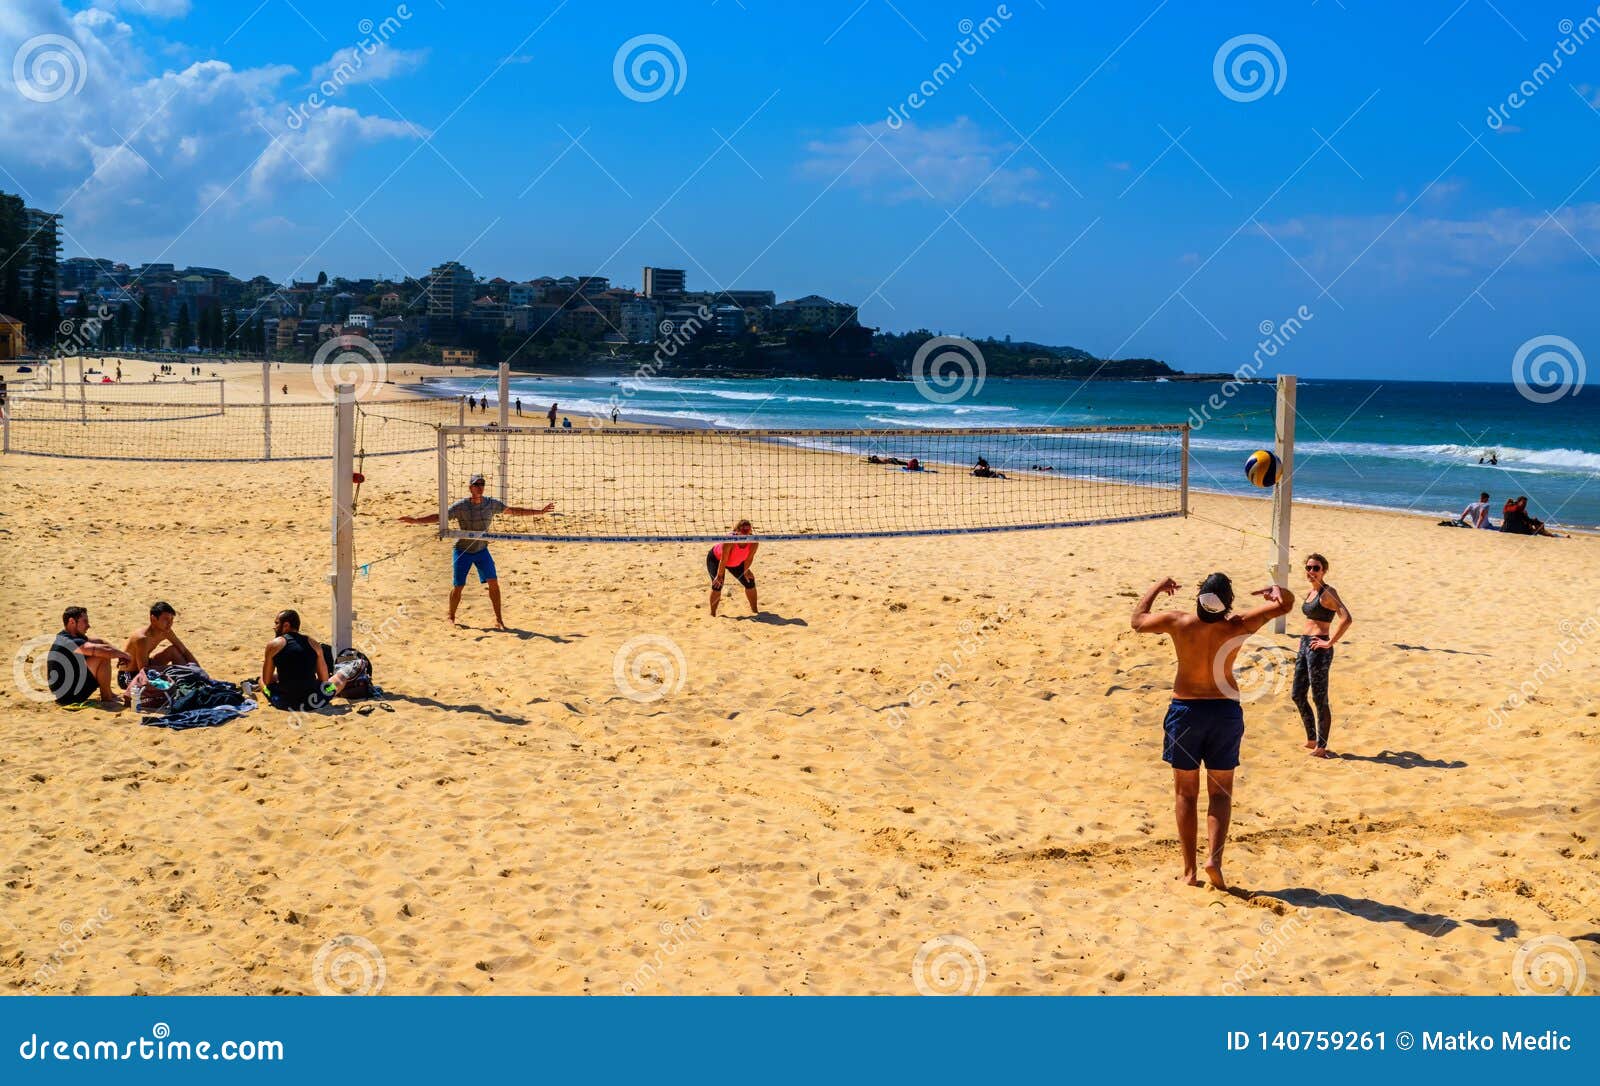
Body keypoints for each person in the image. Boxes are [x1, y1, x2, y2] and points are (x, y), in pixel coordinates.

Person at [1131, 572, 1293, 889]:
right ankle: (1214, 859)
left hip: (1186, 713)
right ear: (1227, 604)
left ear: (1198, 599)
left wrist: (1156, 588)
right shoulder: (1238, 625)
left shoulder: (1179, 622)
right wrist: (1277, 591)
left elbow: (1137, 621)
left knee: (1185, 794)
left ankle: (1190, 870)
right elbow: (1287, 605)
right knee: (1220, 794)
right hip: (1224, 714)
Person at [398, 473, 555, 627]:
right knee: (458, 586)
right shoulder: (461, 506)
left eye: (482, 484)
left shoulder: (491, 504)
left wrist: (539, 511)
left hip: (481, 550)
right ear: (470, 487)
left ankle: (499, 619)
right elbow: (440, 516)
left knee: (494, 583)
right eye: (476, 485)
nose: (480, 487)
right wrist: (416, 521)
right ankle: (451, 616)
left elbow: (513, 511)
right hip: (462, 550)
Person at [1295, 553, 1353, 758]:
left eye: (1316, 568)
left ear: (1324, 570)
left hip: (1319, 648)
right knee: (1297, 693)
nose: (1311, 572)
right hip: (1304, 645)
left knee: (1320, 698)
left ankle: (1321, 746)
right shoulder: (1311, 593)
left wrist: (1329, 642)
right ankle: (1311, 739)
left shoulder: (1328, 592)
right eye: (1308, 568)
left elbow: (1346, 618)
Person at [259, 609, 354, 711]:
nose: (274, 627)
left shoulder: (273, 645)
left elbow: (267, 680)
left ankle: (269, 695)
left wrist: (280, 677)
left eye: (277, 623)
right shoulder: (314, 644)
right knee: (339, 679)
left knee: (261, 681)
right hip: (315, 701)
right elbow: (324, 680)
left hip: (283, 702)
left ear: (286, 625)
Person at [47, 606, 130, 706]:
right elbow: (103, 650)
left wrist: (118, 653)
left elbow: (100, 642)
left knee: (102, 651)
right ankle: (107, 697)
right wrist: (124, 655)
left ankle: (109, 694)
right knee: (102, 656)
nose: (88, 625)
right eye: (85, 621)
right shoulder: (69, 642)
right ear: (72, 622)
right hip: (68, 696)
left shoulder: (65, 635)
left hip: (64, 691)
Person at [121, 601, 201, 684]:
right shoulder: (142, 639)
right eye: (166, 619)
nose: (170, 623)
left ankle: (191, 679)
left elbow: (183, 650)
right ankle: (186, 680)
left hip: (146, 666)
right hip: (129, 676)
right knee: (175, 671)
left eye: (171, 619)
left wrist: (198, 669)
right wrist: (174, 668)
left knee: (173, 650)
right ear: (153, 619)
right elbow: (143, 670)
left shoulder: (166, 631)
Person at [707, 520, 759, 617]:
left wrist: (746, 570)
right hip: (716, 558)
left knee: (750, 582)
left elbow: (749, 558)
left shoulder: (753, 541)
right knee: (718, 585)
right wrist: (719, 576)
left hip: (736, 562)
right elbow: (723, 559)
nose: (745, 533)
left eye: (747, 531)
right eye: (743, 531)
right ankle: (712, 614)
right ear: (737, 530)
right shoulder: (730, 539)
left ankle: (755, 611)